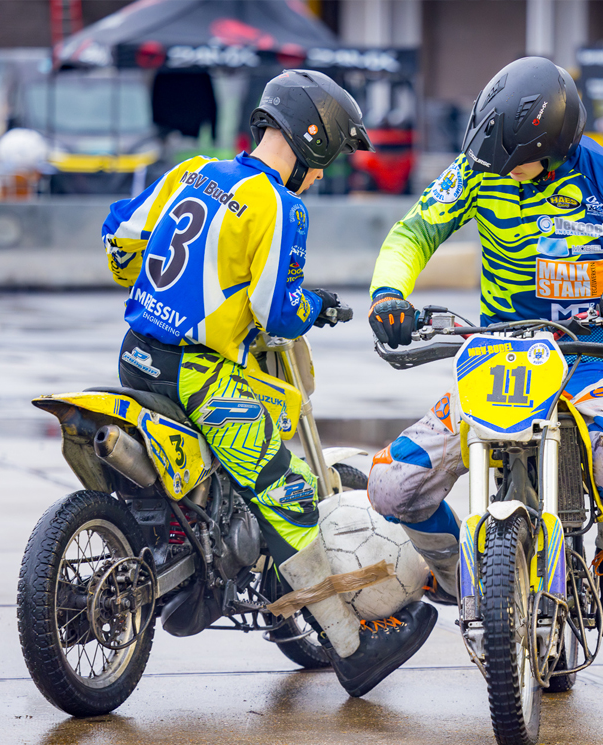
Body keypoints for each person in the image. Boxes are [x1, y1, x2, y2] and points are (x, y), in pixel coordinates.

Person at [101, 70, 437, 697]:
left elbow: (120, 242)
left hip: (135, 356)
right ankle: (353, 645)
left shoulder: (190, 172)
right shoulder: (280, 204)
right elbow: (275, 312)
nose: (323, 172)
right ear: (311, 141)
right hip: (199, 373)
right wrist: (314, 306)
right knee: (283, 491)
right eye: (328, 157)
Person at [366, 57, 603, 645]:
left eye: (510, 160)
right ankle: (454, 576)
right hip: (497, 358)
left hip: (590, 357)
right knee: (392, 486)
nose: (496, 170)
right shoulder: (477, 170)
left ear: (556, 146)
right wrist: (389, 294)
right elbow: (412, 234)